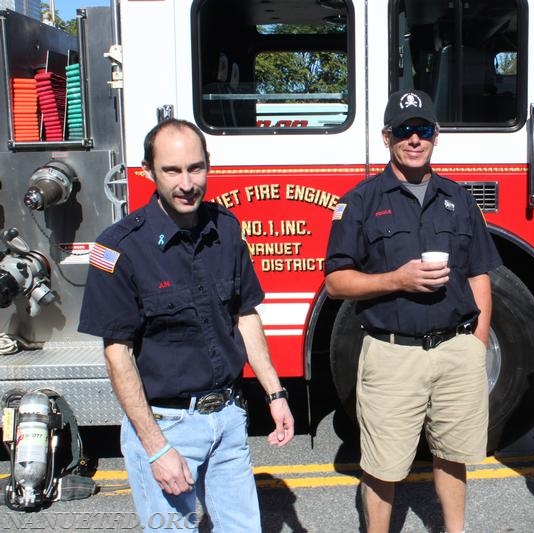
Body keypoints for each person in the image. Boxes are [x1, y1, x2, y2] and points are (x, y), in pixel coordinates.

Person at [78, 118, 294, 532]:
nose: (187, 183)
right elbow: (117, 353)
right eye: (172, 171)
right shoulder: (118, 249)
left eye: (195, 168)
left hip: (228, 419)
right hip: (166, 427)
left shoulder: (226, 229)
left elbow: (244, 316)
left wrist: (275, 392)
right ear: (148, 172)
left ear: (208, 165)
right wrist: (157, 449)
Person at [324, 89, 502, 533]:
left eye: (423, 129)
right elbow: (335, 282)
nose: (414, 139)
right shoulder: (360, 201)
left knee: (454, 453)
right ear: (388, 137)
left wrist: (477, 345)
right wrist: (395, 280)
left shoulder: (459, 199)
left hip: (456, 351)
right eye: (404, 131)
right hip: (392, 355)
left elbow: (480, 273)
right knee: (382, 465)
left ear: (436, 136)